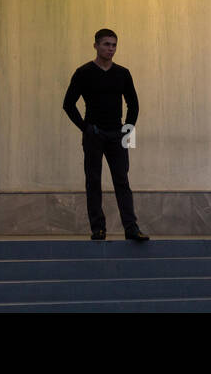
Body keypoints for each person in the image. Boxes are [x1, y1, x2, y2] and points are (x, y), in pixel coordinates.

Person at [62, 29, 149, 241]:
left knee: (122, 181)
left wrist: (127, 130)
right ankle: (98, 228)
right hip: (94, 134)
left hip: (116, 134)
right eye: (106, 44)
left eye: (114, 45)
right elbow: (68, 104)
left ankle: (131, 228)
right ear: (96, 46)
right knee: (93, 181)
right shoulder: (84, 72)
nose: (110, 49)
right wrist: (85, 128)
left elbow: (134, 104)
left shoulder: (122, 73)